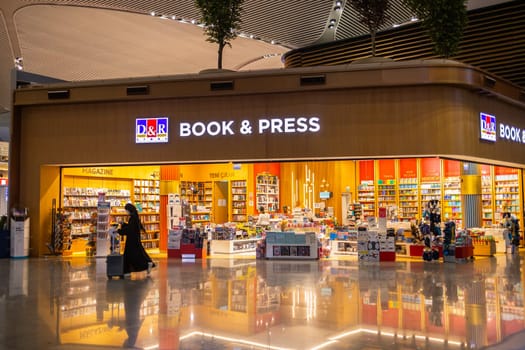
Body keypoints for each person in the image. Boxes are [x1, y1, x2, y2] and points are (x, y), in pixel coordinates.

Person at [118, 203, 155, 276]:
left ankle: (128, 271)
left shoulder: (133, 218)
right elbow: (131, 227)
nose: (126, 212)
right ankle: (147, 264)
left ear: (129, 210)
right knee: (138, 255)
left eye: (126, 210)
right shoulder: (134, 217)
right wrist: (123, 224)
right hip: (135, 239)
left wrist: (119, 231)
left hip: (132, 241)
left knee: (131, 255)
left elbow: (130, 230)